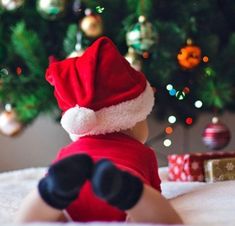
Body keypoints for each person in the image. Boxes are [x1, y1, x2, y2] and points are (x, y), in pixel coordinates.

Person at [15, 37, 183, 224]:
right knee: (165, 217)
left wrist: (56, 186)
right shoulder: (145, 154)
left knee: (38, 218)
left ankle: (51, 193)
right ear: (132, 120)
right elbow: (157, 195)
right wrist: (144, 195)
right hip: (122, 190)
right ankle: (129, 192)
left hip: (74, 193)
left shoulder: (67, 153)